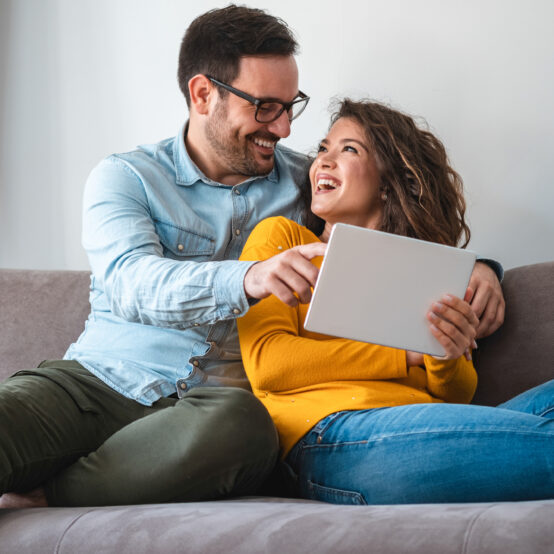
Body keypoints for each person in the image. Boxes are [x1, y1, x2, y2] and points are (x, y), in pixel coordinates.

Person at [0, 6, 504, 509]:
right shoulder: (127, 178)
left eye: (290, 106)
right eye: (265, 106)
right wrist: (249, 278)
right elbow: (132, 284)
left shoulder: (305, 182)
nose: (283, 128)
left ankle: (49, 495)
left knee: (246, 429)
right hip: (100, 382)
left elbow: (387, 209)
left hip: (214, 415)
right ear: (203, 94)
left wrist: (480, 269)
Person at [237, 99, 554, 504]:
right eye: (323, 148)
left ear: (387, 181)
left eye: (348, 149)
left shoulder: (423, 268)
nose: (323, 161)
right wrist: (405, 354)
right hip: (331, 436)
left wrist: (442, 354)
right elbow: (268, 364)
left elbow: (457, 394)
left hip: (423, 421)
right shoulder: (283, 240)